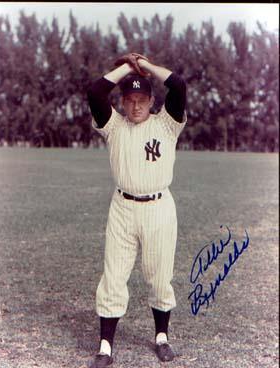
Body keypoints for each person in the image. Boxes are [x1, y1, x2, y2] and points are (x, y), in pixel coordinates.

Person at [87, 53, 187, 368]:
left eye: (141, 99)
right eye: (129, 100)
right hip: (122, 208)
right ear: (122, 102)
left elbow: (180, 87)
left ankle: (161, 338)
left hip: (159, 208)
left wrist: (147, 66)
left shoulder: (167, 124)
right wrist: (126, 69)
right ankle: (105, 347)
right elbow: (94, 92)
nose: (135, 106)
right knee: (114, 275)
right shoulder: (113, 126)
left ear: (151, 100)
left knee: (159, 277)